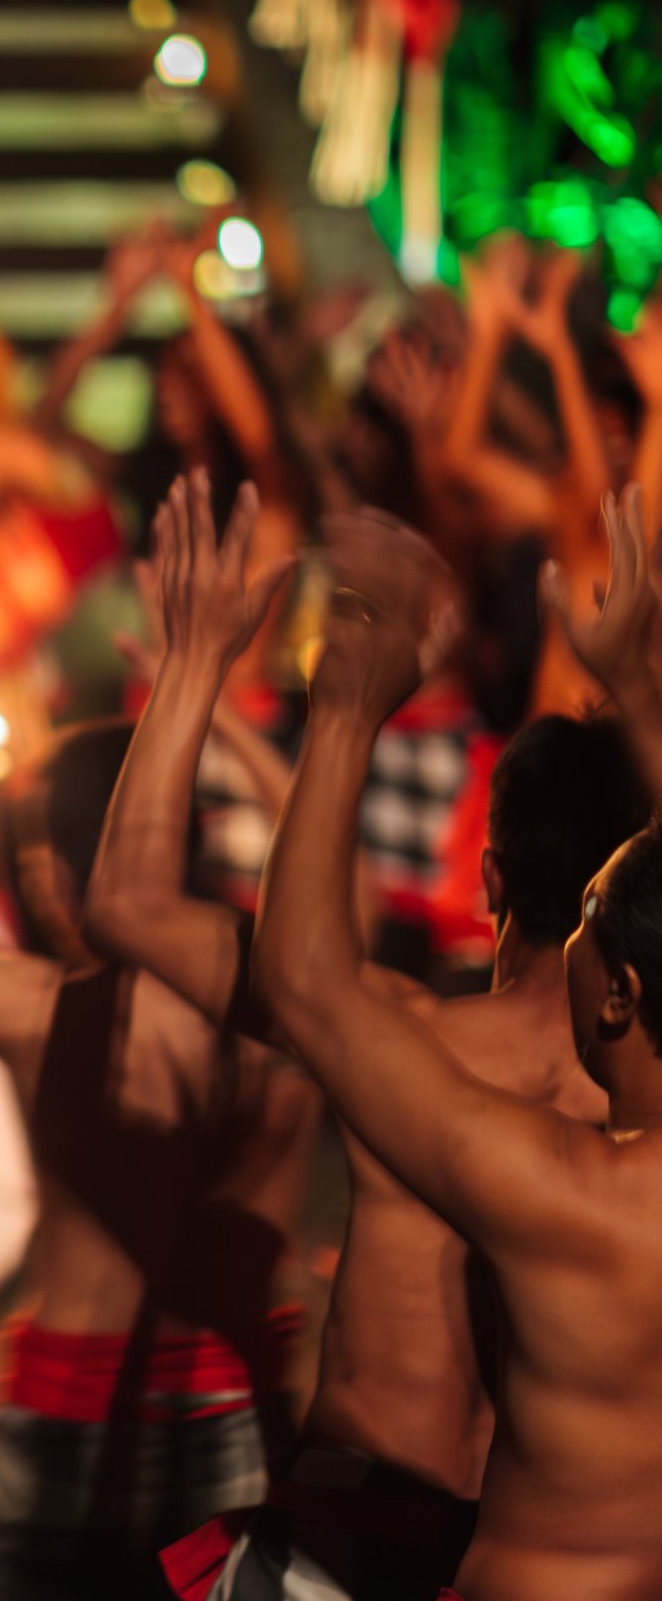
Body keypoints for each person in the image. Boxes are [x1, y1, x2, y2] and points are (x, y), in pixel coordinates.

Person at [94, 478, 646, 1600]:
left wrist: (199, 660)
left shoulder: (401, 1045)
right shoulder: (635, 1120)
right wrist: (637, 689)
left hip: (351, 1540)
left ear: (489, 878)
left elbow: (128, 904)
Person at [0, 579, 320, 1601]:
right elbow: (338, 887)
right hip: (237, 1397)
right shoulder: (298, 995)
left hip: (74, 1399)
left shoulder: (47, 1011)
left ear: (64, 865)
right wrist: (212, 708)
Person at [252, 501, 662, 1601]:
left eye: (583, 925)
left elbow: (305, 985)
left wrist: (343, 709)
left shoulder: (565, 1195)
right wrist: (643, 710)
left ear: (619, 992)